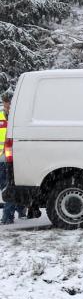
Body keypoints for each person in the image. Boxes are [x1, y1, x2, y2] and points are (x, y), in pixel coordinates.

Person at [0, 91, 25, 224]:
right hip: (4, 159)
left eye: (8, 104)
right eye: (5, 104)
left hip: (14, 159)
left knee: (8, 187)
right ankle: (21, 210)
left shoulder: (17, 117)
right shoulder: (3, 116)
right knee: (9, 187)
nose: (6, 107)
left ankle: (8, 217)